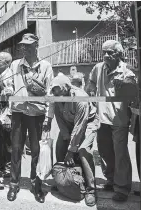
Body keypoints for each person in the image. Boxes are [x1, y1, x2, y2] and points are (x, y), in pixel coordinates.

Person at [5, 33, 54, 203]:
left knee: (36, 151)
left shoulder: (46, 66)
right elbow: (8, 83)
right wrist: (8, 90)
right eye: (22, 45)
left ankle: (36, 184)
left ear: (36, 46)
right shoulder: (15, 65)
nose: (24, 48)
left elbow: (50, 93)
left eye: (28, 45)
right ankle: (14, 184)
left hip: (37, 113)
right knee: (16, 149)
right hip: (18, 112)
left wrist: (48, 117)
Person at [86, 40, 136, 202]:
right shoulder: (98, 68)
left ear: (119, 54)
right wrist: (91, 91)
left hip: (119, 118)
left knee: (120, 153)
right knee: (104, 152)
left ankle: (122, 188)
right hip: (101, 117)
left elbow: (132, 93)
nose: (106, 55)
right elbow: (91, 83)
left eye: (110, 52)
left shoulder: (127, 71)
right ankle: (111, 179)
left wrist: (125, 85)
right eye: (104, 52)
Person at [48, 74, 98, 207]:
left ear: (67, 88)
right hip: (68, 123)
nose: (56, 94)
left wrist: (71, 150)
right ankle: (62, 182)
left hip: (87, 123)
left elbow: (80, 126)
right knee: (60, 147)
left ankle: (90, 190)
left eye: (58, 91)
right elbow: (59, 118)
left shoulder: (80, 98)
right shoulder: (57, 96)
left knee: (82, 151)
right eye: (54, 91)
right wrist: (65, 137)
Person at [0, 52, 14, 180]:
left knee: (8, 142)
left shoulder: (9, 75)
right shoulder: (0, 74)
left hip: (7, 111)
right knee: (1, 141)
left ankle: (8, 167)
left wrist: (9, 115)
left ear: (7, 63)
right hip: (0, 110)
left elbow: (10, 91)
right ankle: (2, 166)